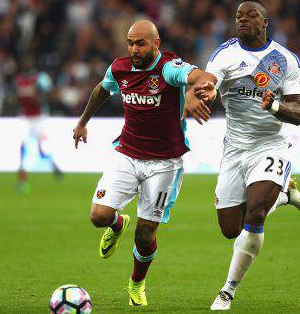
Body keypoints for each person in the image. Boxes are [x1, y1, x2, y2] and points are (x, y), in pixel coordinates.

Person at [72, 20, 213, 307]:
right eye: (130, 43)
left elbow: (200, 75)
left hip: (164, 163)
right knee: (98, 216)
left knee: (146, 233)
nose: (134, 49)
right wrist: (82, 122)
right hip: (126, 153)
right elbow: (102, 89)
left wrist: (199, 90)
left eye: (141, 43)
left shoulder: (169, 68)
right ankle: (117, 224)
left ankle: (136, 283)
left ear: (156, 44)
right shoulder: (120, 68)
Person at [185, 0, 300, 310]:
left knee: (255, 214)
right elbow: (210, 80)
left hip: (271, 145)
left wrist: (275, 106)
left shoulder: (285, 59)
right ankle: (283, 194)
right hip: (235, 149)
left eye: (250, 15)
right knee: (231, 229)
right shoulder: (225, 54)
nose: (242, 20)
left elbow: (298, 112)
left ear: (264, 23)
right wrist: (207, 91)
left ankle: (227, 291)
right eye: (238, 16)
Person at [15, 57, 62, 193]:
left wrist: (39, 99)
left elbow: (50, 95)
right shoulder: (19, 81)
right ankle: (22, 178)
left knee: (42, 149)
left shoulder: (39, 79)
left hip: (38, 117)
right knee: (23, 147)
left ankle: (53, 165)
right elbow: (17, 98)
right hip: (25, 118)